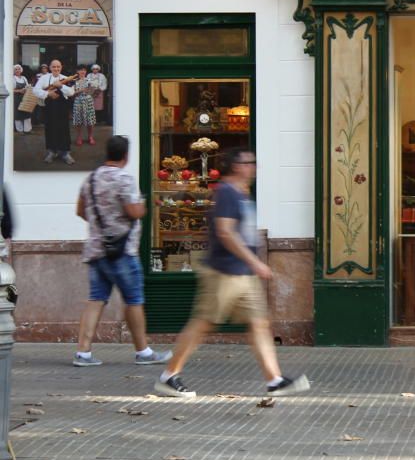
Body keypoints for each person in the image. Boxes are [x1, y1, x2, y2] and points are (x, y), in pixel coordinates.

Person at [154, 148, 310, 398]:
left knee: (259, 324)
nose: (254, 167)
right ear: (238, 166)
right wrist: (256, 262)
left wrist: (252, 264)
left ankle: (274, 380)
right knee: (203, 324)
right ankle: (169, 375)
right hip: (223, 272)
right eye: (250, 163)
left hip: (242, 273)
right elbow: (225, 232)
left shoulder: (241, 194)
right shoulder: (227, 192)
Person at [74, 135, 171, 367]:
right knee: (134, 299)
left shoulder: (91, 178)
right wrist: (144, 205)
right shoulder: (124, 179)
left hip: (96, 250)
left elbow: (80, 210)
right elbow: (134, 212)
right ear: (126, 156)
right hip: (122, 252)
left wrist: (101, 224)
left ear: (106, 153)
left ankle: (83, 353)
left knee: (96, 299)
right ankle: (143, 352)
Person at [33, 58, 76, 165]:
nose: (56, 69)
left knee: (64, 130)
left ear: (61, 67)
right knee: (50, 129)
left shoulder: (66, 78)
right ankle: (51, 152)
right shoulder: (44, 78)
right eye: (54, 67)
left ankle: (65, 153)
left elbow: (71, 92)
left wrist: (61, 86)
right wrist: (48, 94)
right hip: (49, 109)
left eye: (58, 67)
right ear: (50, 68)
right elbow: (35, 90)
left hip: (62, 109)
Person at [72, 64, 99, 146]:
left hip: (88, 101)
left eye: (84, 70)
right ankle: (79, 137)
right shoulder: (74, 80)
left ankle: (90, 137)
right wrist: (81, 90)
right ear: (77, 71)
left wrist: (92, 92)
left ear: (86, 71)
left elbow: (96, 92)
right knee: (78, 121)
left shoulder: (90, 80)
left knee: (90, 121)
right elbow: (71, 93)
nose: (82, 71)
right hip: (78, 101)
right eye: (80, 70)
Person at [12, 64, 33, 134]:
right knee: (18, 114)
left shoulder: (24, 78)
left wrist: (27, 88)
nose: (17, 70)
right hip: (17, 98)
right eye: (16, 69)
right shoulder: (13, 78)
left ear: (21, 70)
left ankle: (27, 129)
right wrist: (19, 91)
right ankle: (20, 130)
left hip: (25, 97)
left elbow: (27, 86)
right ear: (14, 71)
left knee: (27, 111)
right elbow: (11, 90)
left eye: (18, 69)